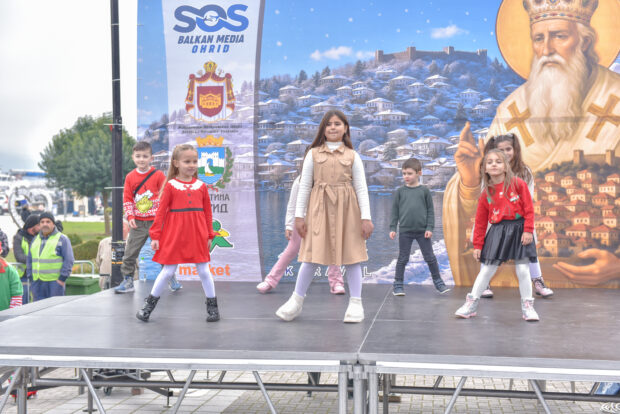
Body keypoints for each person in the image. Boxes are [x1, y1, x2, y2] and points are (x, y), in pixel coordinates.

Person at [443, 0, 620, 287]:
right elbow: (486, 198)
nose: (546, 49)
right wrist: (469, 180)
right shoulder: (511, 110)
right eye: (539, 38)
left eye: (559, 36)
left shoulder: (616, 95)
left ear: (585, 41)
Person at [275, 110, 374, 323]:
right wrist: (299, 217)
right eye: (328, 124)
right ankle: (296, 301)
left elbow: (361, 188)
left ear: (345, 128)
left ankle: (356, 303)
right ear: (323, 128)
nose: (333, 127)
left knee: (352, 257)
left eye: (337, 123)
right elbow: (304, 187)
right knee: (311, 256)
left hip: (348, 210)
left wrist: (366, 218)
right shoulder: (313, 154)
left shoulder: (353, 156)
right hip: (318, 209)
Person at [136, 144, 218, 322]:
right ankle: (148, 306)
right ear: (176, 163)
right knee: (167, 271)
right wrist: (155, 235)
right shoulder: (171, 186)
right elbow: (160, 213)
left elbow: (207, 213)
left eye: (194, 161)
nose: (192, 165)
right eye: (187, 161)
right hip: (175, 235)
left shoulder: (201, 186)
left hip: (197, 234)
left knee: (204, 271)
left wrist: (210, 235)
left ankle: (213, 308)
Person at [455, 150, 539, 321]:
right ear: (485, 169)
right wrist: (478, 245)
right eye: (490, 162)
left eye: (498, 161)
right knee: (487, 270)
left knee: (523, 270)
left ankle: (528, 308)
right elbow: (480, 222)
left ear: (506, 167)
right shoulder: (486, 194)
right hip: (498, 232)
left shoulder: (518, 184)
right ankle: (471, 304)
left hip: (519, 230)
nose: (494, 164)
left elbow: (529, 209)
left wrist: (528, 230)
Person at [478, 134, 554, 299]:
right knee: (488, 248)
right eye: (501, 150)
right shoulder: (489, 171)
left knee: (529, 250)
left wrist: (525, 225)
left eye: (508, 149)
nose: (505, 153)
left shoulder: (524, 172)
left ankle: (538, 281)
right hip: (496, 219)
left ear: (515, 150)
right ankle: (484, 283)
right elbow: (486, 196)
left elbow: (528, 200)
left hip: (520, 220)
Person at [256, 174, 346, 295]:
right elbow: (292, 205)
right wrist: (288, 225)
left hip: (324, 220)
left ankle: (336, 283)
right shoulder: (299, 180)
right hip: (302, 221)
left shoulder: (328, 177)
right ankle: (270, 281)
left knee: (332, 250)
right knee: (291, 250)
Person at [115, 141, 182, 294]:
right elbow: (127, 198)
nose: (141, 159)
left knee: (164, 251)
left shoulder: (158, 175)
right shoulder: (130, 177)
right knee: (130, 252)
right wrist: (130, 216)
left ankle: (170, 277)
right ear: (133, 157)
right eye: (138, 156)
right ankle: (128, 280)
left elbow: (165, 196)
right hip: (138, 223)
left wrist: (164, 217)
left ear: (151, 158)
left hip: (156, 222)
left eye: (145, 156)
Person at [389, 158, 449, 296]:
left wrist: (429, 228)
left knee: (430, 257)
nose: (406, 176)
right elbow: (394, 211)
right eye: (404, 173)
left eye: (409, 173)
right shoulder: (400, 192)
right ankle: (398, 284)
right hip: (405, 231)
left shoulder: (424, 191)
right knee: (403, 258)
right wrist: (392, 228)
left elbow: (430, 211)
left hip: (423, 231)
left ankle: (438, 282)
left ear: (419, 173)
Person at [26, 212, 75, 302]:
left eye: (48, 222)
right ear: (39, 224)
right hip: (37, 283)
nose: (45, 224)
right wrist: (30, 277)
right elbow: (29, 259)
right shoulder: (35, 240)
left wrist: (62, 279)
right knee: (38, 308)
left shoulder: (62, 239)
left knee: (55, 308)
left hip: (55, 283)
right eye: (42, 222)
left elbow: (69, 260)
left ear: (53, 224)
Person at [12, 214, 40, 304]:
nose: (40, 227)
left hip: (38, 274)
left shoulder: (39, 237)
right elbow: (19, 256)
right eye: (38, 225)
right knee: (24, 301)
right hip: (24, 276)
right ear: (32, 226)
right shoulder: (18, 237)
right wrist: (35, 259)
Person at [96, 220, 131, 290]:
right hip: (106, 286)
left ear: (128, 229)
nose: (118, 229)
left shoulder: (133, 244)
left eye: (122, 226)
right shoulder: (103, 243)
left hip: (127, 287)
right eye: (116, 226)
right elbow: (98, 263)